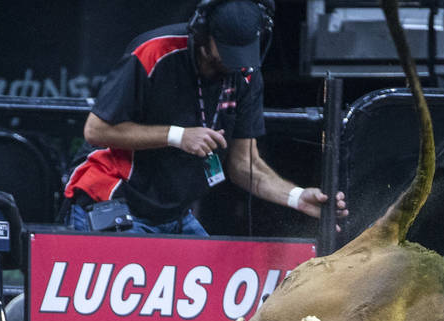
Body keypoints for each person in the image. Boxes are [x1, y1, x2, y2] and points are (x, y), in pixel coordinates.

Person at [63, 0, 346, 236]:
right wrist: (178, 136)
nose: (234, 63)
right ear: (202, 34)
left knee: (212, 291)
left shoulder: (246, 72)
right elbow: (96, 130)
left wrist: (297, 198)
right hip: (113, 199)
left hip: (173, 215)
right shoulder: (154, 52)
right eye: (226, 52)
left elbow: (244, 164)